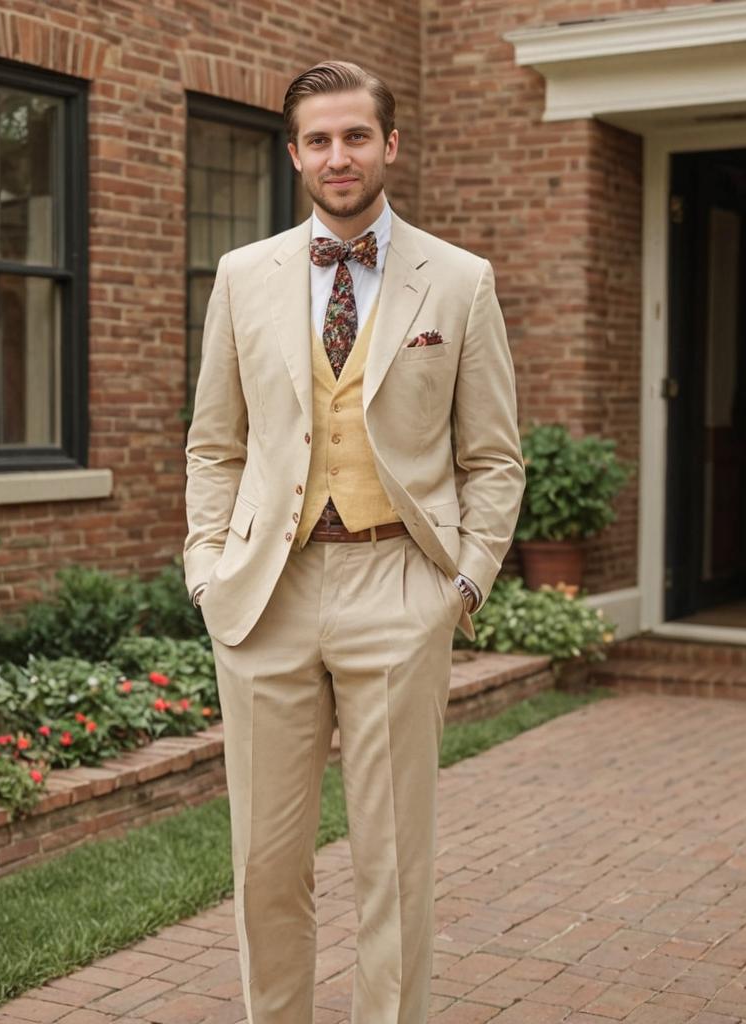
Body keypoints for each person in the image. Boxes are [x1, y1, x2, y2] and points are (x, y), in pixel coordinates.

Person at [184, 60, 523, 1024]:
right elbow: (215, 443)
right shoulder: (244, 276)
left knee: (394, 865)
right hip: (266, 592)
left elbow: (494, 457)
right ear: (295, 154)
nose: (340, 156)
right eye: (320, 140)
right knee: (264, 860)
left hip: (400, 585)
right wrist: (208, 569)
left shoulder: (459, 281)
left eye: (356, 136)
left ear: (390, 145)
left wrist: (463, 584)